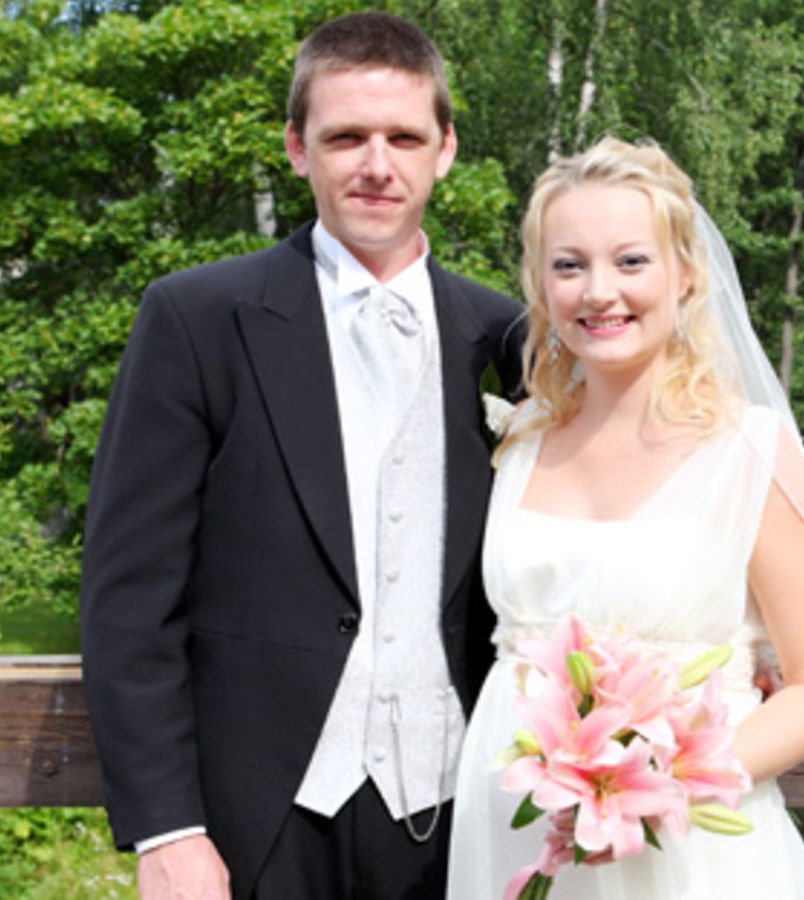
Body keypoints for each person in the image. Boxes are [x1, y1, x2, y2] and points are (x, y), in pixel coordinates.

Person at [79, 12, 522, 898]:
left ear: (444, 150)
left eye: (404, 137)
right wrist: (167, 827)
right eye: (345, 137)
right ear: (296, 148)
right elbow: (129, 597)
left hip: (461, 812)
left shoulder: (511, 335)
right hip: (255, 821)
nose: (376, 164)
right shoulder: (195, 318)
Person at [446, 137, 804, 898]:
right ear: (540, 284)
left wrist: (659, 789)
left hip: (685, 841)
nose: (599, 291)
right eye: (569, 265)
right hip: (513, 824)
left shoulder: (748, 450)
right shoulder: (520, 438)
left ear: (686, 273)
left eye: (631, 261)